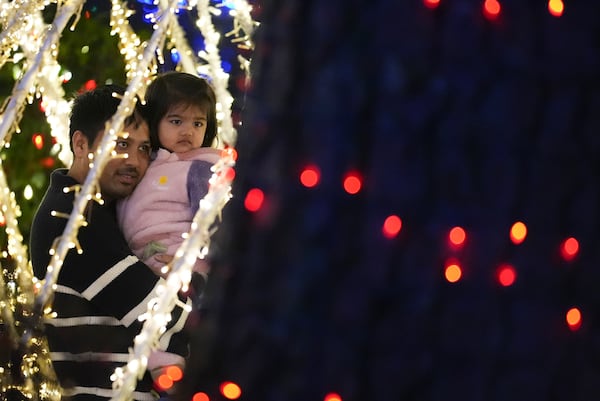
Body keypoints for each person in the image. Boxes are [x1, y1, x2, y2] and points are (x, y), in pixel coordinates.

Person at [29, 84, 193, 401]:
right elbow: (163, 316)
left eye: (145, 149)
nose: (134, 160)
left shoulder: (100, 211)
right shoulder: (72, 219)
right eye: (121, 144)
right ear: (80, 143)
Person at [117, 72, 220, 288]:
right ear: (155, 121)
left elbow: (216, 227)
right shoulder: (145, 162)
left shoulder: (199, 169)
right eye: (176, 121)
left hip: (182, 270)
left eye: (198, 124)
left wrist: (193, 266)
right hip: (142, 267)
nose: (188, 131)